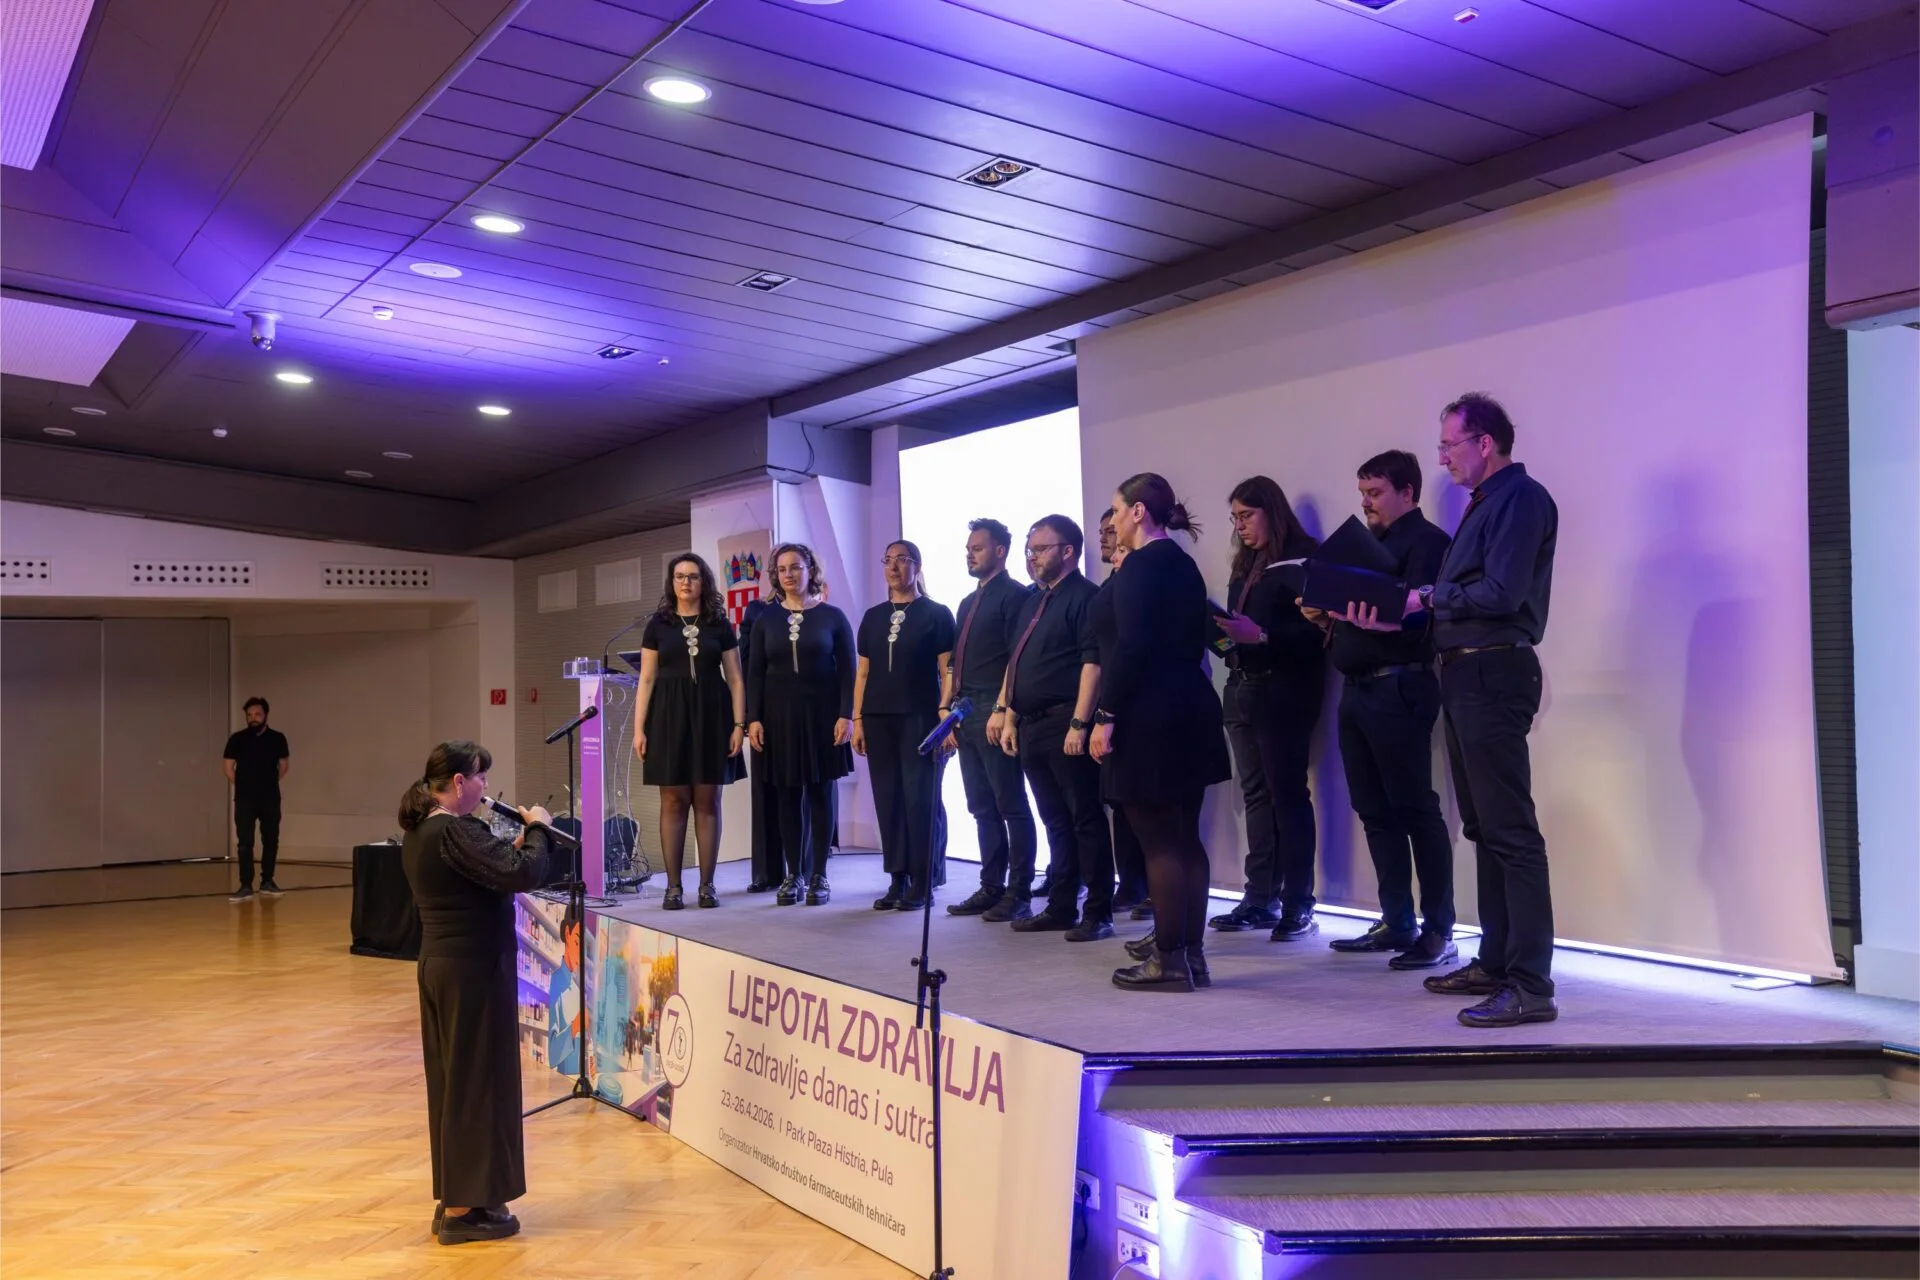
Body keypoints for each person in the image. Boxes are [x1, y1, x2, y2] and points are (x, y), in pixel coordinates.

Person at [1348, 393, 1559, 1028]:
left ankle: (1531, 985)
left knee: (1511, 832)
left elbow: (1502, 592)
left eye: (1449, 445)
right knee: (1483, 829)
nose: (1442, 458)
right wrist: (1413, 608)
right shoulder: (1487, 502)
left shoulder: (1521, 499)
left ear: (1484, 443)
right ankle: (1495, 963)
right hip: (1467, 670)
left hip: (1493, 669)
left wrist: (1430, 598)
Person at [398, 739, 554, 1245]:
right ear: (460, 782)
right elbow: (523, 872)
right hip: (471, 971)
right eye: (482, 777)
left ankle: (462, 1196)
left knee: (457, 1083)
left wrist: (512, 846)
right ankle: (463, 1211)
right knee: (475, 1084)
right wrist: (538, 829)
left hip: (443, 967)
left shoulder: (422, 831)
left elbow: (478, 876)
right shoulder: (454, 829)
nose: (487, 786)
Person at [1312, 451, 1457, 970]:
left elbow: (1423, 617)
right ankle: (1397, 920)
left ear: (1408, 493)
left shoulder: (1429, 543)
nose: (1366, 504)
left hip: (1399, 685)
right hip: (1356, 689)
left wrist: (1382, 617)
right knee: (1373, 808)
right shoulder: (1367, 545)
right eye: (1363, 494)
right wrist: (1324, 611)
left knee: (1415, 807)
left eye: (1375, 493)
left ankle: (1439, 929)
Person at [1094, 475, 1234, 992]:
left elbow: (1131, 647)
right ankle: (1190, 955)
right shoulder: (1182, 563)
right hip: (1190, 704)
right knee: (1184, 838)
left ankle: (1168, 960)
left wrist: (1106, 714)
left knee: (1158, 843)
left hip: (1149, 713)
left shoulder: (1141, 566)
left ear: (1137, 512)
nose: (1111, 521)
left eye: (1115, 510)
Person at [988, 516, 1114, 942]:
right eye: (1030, 550)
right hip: (1031, 725)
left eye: (1040, 549)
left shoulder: (1087, 597)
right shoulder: (1032, 601)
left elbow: (1093, 664)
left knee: (1084, 819)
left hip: (1066, 722)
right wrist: (1008, 715)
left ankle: (1098, 912)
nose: (1032, 557)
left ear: (1068, 551)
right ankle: (1061, 907)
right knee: (1056, 821)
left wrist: (1080, 723)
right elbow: (1015, 662)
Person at [1211, 478, 1326, 941]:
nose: (1239, 527)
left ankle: (1299, 903)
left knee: (1288, 796)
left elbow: (1318, 634)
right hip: (1242, 685)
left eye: (1246, 516)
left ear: (1271, 512)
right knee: (1256, 796)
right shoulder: (1246, 564)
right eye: (1234, 518)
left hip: (1285, 689)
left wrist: (1259, 637)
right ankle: (1260, 897)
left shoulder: (1303, 559)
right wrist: (1222, 637)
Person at [633, 553, 747, 910]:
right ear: (672, 582)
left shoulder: (718, 623)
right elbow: (646, 679)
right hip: (667, 717)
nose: (686, 582)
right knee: (673, 800)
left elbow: (736, 679)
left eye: (693, 576)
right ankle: (673, 886)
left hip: (713, 716)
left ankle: (708, 885)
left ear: (703, 582)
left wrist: (739, 724)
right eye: (680, 576)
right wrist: (639, 729)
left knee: (708, 799)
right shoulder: (658, 625)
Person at [942, 519, 1041, 923]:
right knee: (981, 805)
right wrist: (946, 708)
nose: (970, 554)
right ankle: (991, 886)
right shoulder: (968, 601)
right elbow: (954, 662)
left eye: (977, 548)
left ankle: (1019, 892)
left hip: (994, 708)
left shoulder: (1015, 596)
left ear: (1000, 551)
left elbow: (1015, 660)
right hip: (965, 709)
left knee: (1010, 803)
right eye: (968, 548)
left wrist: (1002, 710)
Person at [748, 543, 856, 906]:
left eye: (795, 567)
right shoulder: (765, 620)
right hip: (778, 718)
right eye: (782, 569)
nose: (789, 574)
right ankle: (793, 874)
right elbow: (755, 674)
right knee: (787, 797)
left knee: (821, 794)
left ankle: (819, 875)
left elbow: (849, 671)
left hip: (823, 716)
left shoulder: (833, 617)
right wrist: (753, 719)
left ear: (811, 570)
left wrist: (846, 714)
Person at [854, 540, 956, 910]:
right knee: (889, 799)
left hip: (921, 718)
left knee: (920, 799)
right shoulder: (872, 616)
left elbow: (948, 669)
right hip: (878, 719)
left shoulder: (937, 614)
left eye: (902, 560)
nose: (894, 567)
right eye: (888, 560)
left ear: (917, 566)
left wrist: (945, 714)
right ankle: (898, 877)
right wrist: (858, 719)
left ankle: (924, 879)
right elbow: (862, 673)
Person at [1096, 511, 1151, 918]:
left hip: (1139, 703)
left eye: (1111, 530)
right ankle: (1130, 882)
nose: (1104, 538)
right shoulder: (1110, 582)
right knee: (1120, 802)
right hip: (1111, 702)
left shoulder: (1142, 577)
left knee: (1149, 805)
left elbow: (1133, 645)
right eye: (1101, 532)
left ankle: (1154, 890)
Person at [223, 696, 290, 902]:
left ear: (265, 715)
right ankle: (245, 885)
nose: (253, 718)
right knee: (245, 842)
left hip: (270, 798)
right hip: (245, 799)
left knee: (270, 839)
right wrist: (244, 785)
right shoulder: (237, 739)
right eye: (249, 715)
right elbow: (228, 766)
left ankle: (267, 881)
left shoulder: (277, 738)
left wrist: (267, 783)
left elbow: (283, 765)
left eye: (257, 714)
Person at [737, 591, 782, 892]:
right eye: (780, 569)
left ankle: (806, 871)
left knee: (807, 793)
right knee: (765, 790)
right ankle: (766, 873)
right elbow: (745, 663)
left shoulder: (817, 610)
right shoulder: (757, 611)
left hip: (806, 709)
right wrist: (748, 714)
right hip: (763, 710)